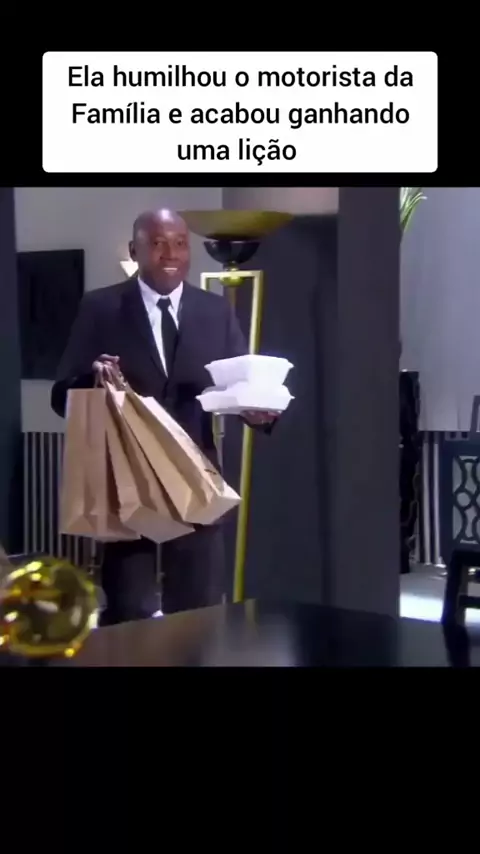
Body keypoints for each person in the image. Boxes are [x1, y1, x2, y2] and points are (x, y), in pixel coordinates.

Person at [51, 208, 278, 625]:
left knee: (199, 612)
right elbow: (60, 395)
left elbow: (237, 387)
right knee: (128, 612)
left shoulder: (215, 311)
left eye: (179, 243)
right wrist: (92, 378)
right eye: (157, 244)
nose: (170, 254)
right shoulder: (101, 307)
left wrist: (259, 414)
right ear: (134, 250)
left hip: (197, 480)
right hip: (128, 484)